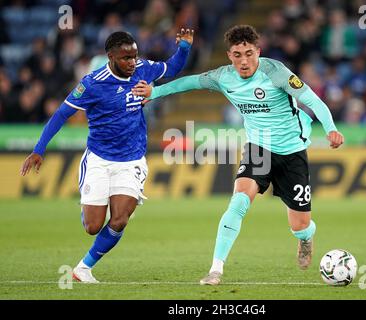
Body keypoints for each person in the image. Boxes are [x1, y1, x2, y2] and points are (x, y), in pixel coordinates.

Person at [132, 25, 344, 285]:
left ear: (258, 51)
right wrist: (156, 92)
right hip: (258, 147)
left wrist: (331, 129)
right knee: (238, 202)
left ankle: (306, 238)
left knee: (300, 225)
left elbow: (312, 100)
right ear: (229, 55)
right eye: (237, 54)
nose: (244, 61)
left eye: (249, 53)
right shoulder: (223, 77)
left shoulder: (275, 72)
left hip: (292, 151)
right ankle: (216, 269)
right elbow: (190, 82)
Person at [20, 29, 194, 283]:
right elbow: (61, 114)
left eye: (134, 56)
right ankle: (90, 206)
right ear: (110, 57)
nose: (132, 62)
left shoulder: (143, 68)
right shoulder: (92, 83)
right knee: (92, 226)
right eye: (126, 58)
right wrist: (39, 149)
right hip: (99, 160)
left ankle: (83, 268)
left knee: (120, 219)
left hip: (132, 159)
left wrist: (185, 48)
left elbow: (172, 67)